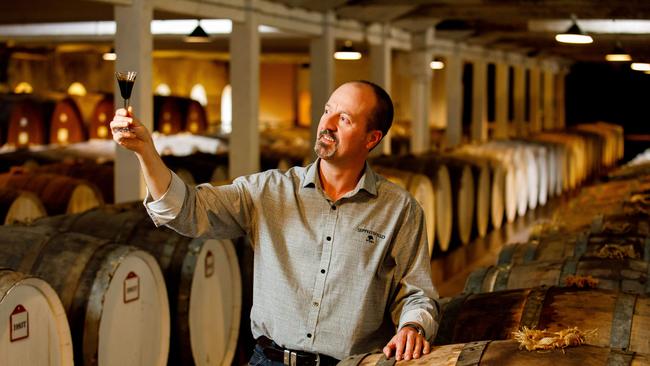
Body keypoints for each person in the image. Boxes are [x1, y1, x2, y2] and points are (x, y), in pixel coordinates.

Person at [111, 80, 439, 365]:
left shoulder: (399, 209)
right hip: (271, 361)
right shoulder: (269, 191)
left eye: (345, 119)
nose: (328, 123)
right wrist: (145, 151)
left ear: (372, 138)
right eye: (327, 110)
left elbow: (417, 293)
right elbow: (187, 211)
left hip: (352, 363)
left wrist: (413, 326)